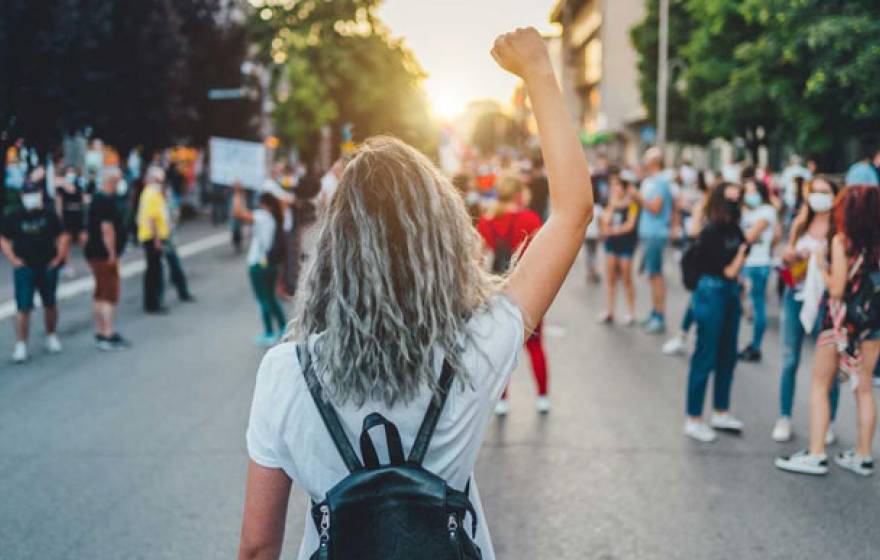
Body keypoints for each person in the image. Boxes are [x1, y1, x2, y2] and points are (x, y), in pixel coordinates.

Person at [238, 28, 592, 560]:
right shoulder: (476, 346)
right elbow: (571, 212)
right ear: (442, 238)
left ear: (334, 247)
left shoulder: (287, 372)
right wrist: (540, 73)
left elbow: (258, 548)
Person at [776, 185, 880, 477]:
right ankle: (862, 455)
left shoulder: (842, 241)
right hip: (873, 323)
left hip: (841, 322)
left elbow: (836, 289)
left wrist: (821, 265)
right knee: (864, 388)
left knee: (821, 384)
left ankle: (816, 453)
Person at [771, 176, 841, 443]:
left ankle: (829, 420)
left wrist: (821, 262)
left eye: (825, 192)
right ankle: (784, 416)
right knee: (790, 359)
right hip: (795, 295)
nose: (819, 197)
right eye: (815, 192)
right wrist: (789, 257)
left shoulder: (839, 229)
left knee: (828, 366)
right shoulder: (800, 223)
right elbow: (785, 254)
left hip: (827, 301)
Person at [477, 175, 549, 415]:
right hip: (530, 289)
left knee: (501, 348)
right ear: (519, 194)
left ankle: (502, 400)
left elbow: (476, 261)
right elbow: (542, 256)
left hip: (498, 293)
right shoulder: (531, 218)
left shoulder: (486, 223)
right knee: (536, 345)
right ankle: (542, 397)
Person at [682, 182, 748, 442]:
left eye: (737, 198)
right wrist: (741, 258)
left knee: (728, 355)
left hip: (729, 293)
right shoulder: (710, 231)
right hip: (712, 292)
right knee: (706, 354)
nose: (735, 203)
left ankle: (721, 411)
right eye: (729, 198)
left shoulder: (734, 228)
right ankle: (694, 417)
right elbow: (730, 269)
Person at [1, 185, 69, 362]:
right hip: (25, 267)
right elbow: (4, 238)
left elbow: (62, 235)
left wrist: (59, 258)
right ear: (22, 196)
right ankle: (21, 344)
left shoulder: (48, 214)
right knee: (23, 307)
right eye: (28, 194)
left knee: (50, 302)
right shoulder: (14, 216)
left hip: (47, 265)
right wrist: (14, 260)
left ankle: (51, 335)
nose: (31, 197)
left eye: (34, 193)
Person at [232, 185, 287, 347]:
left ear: (265, 205)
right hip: (271, 264)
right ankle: (283, 328)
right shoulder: (274, 218)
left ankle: (269, 332)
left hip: (258, 264)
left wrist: (237, 193)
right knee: (271, 298)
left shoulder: (262, 216)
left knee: (263, 299)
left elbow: (238, 214)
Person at [84, 168, 129, 350]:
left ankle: (101, 331)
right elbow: (107, 229)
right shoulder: (106, 201)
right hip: (103, 255)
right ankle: (107, 334)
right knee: (108, 294)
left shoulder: (97, 199)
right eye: (117, 180)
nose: (119, 184)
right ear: (111, 181)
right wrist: (111, 253)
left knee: (99, 292)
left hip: (95, 252)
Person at [633, 147, 674, 334]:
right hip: (649, 233)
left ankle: (660, 316)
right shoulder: (650, 181)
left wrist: (638, 197)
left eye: (647, 156)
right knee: (652, 275)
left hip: (656, 234)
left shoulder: (661, 183)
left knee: (656, 275)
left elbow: (656, 208)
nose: (644, 159)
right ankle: (654, 311)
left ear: (655, 161)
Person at [738, 178, 777, 362]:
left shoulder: (767, 211)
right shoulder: (747, 211)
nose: (749, 194)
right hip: (747, 262)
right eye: (746, 190)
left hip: (758, 263)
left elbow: (750, 236)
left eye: (752, 190)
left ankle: (755, 345)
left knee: (757, 304)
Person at [597, 173, 638, 325]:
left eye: (617, 185)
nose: (614, 188)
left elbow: (630, 224)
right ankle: (609, 311)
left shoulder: (632, 204)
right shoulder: (610, 202)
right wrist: (613, 206)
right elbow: (605, 220)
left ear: (624, 187)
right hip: (611, 244)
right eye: (612, 185)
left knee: (627, 278)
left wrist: (612, 231)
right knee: (611, 278)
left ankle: (631, 312)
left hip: (626, 243)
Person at [136, 167, 171, 313]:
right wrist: (156, 238)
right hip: (152, 237)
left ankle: (152, 302)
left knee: (153, 270)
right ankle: (153, 304)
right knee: (154, 272)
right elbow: (152, 218)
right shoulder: (152, 194)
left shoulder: (147, 192)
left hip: (149, 236)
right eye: (158, 180)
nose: (160, 183)